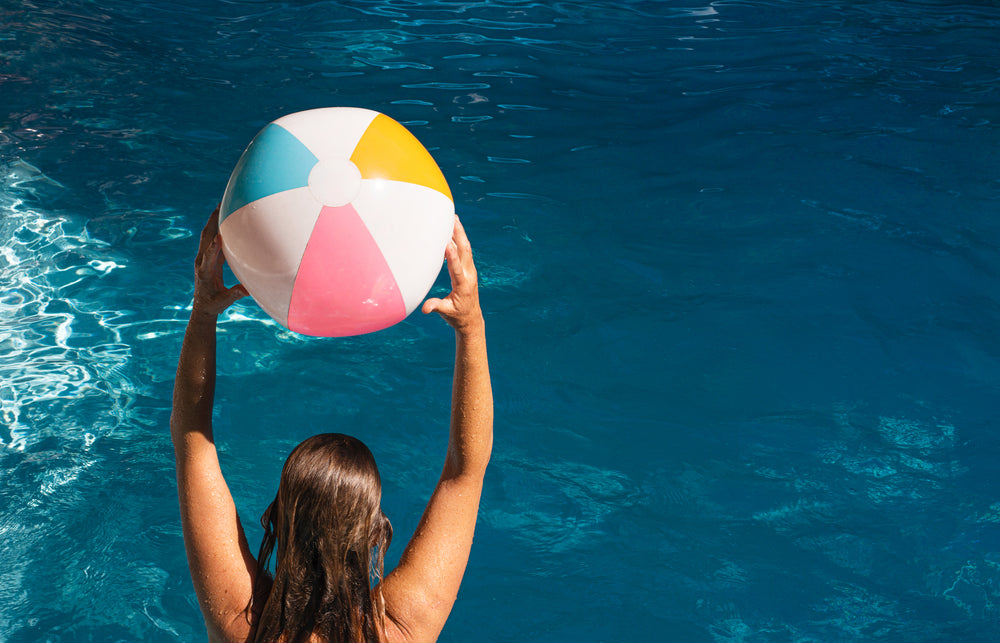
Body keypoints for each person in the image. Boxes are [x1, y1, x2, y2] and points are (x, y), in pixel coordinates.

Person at [170, 206, 493, 643]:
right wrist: (470, 325)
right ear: (378, 531)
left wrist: (204, 310)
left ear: (272, 518)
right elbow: (465, 472)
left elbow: (193, 439)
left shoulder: (239, 622)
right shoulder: (403, 629)